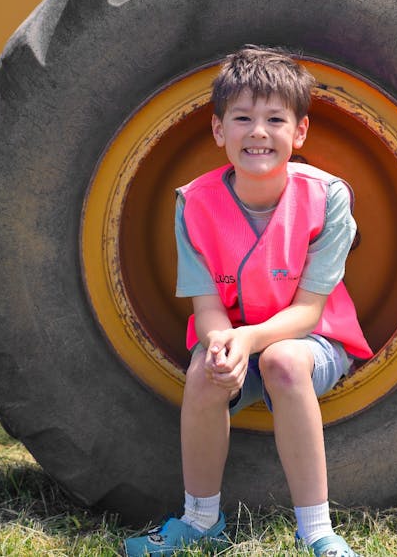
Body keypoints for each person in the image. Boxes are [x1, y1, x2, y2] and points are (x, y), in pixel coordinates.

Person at [124, 45, 373, 557]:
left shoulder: (327, 197)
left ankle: (317, 531)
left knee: (282, 361)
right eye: (242, 118)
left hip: (312, 340)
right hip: (236, 337)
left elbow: (309, 310)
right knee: (204, 371)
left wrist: (250, 340)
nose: (258, 131)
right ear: (219, 130)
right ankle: (200, 520)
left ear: (299, 132)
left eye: (275, 119)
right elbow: (206, 304)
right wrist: (222, 346)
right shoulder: (193, 203)